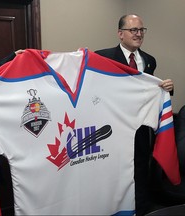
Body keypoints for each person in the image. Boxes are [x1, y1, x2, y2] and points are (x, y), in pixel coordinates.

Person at [95, 14, 174, 216]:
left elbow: (150, 90)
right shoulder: (103, 57)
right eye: (133, 30)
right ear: (121, 34)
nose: (138, 34)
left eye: (141, 30)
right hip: (112, 129)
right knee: (113, 173)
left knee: (140, 171)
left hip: (140, 130)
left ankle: (141, 209)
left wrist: (166, 88)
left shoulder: (149, 60)